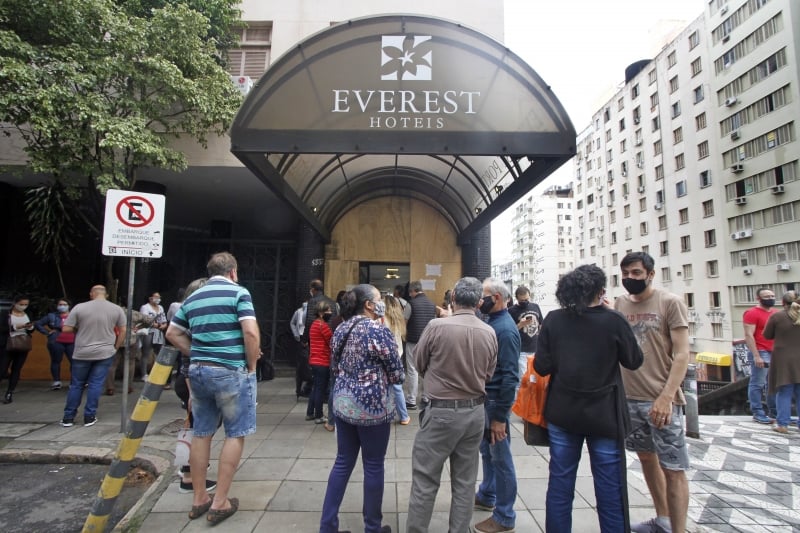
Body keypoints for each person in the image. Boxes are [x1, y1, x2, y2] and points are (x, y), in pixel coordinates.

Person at [534, 265, 643, 532]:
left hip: (563, 412)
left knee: (560, 484)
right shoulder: (614, 320)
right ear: (600, 291)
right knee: (610, 488)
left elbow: (542, 367)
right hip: (604, 415)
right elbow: (633, 360)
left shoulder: (554, 319)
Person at [166, 252, 259, 525]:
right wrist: (251, 365)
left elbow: (172, 333)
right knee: (235, 433)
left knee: (201, 432)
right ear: (233, 271)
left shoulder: (193, 298)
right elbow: (250, 332)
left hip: (198, 372)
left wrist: (196, 353)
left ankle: (199, 498)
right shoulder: (239, 293)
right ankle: (220, 502)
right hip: (230, 371)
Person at [406, 277, 498, 533]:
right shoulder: (489, 332)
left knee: (425, 481)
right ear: (479, 302)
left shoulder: (437, 326)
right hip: (474, 412)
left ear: (453, 297)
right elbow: (488, 374)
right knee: (465, 482)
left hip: (441, 412)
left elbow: (418, 362)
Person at [614, 252, 690, 533]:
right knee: (646, 458)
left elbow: (682, 354)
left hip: (661, 400)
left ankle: (678, 529)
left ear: (650, 274)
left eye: (636, 273)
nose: (630, 278)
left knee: (673, 469)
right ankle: (663, 520)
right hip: (629, 399)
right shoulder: (620, 304)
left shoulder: (670, 302)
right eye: (625, 274)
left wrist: (667, 397)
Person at [319, 284, 404, 533]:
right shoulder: (378, 331)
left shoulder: (341, 328)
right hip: (372, 407)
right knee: (374, 465)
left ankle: (327, 526)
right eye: (379, 299)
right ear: (368, 304)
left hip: (343, 404)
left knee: (343, 462)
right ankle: (372, 527)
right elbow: (397, 374)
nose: (382, 303)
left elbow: (336, 367)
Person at [473, 278, 521, 533]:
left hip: (495, 403)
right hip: (488, 400)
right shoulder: (493, 322)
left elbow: (511, 376)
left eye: (484, 296)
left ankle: (504, 516)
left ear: (498, 298)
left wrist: (500, 417)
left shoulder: (505, 330)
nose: (480, 300)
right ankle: (487, 495)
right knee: (488, 452)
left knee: (501, 458)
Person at [168, 277, 217, 494]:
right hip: (191, 381)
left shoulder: (190, 316)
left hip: (191, 380)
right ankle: (189, 477)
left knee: (196, 428)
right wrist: (192, 393)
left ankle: (189, 470)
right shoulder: (192, 319)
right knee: (200, 430)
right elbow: (188, 361)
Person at [60, 285, 127, 426]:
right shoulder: (116, 309)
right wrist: (115, 347)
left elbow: (66, 329)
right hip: (105, 352)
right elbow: (123, 331)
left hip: (82, 352)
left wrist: (80, 328)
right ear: (106, 295)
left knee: (76, 385)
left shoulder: (79, 307)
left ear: (91, 294)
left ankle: (68, 417)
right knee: (95, 384)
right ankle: (89, 416)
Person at [763, 291, 800, 434]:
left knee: (784, 392)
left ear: (783, 303)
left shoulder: (777, 316)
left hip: (783, 359)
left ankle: (783, 424)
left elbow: (767, 335)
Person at [744, 287, 779, 424]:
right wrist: (756, 355)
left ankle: (774, 412)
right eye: (767, 296)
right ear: (758, 298)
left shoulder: (775, 313)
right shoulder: (752, 313)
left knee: (773, 383)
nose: (771, 298)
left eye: (772, 296)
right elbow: (749, 335)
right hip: (761, 350)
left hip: (775, 351)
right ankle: (757, 412)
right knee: (758, 383)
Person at [405, 280, 436, 410]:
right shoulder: (432, 304)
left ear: (413, 291)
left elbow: (404, 322)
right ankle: (426, 398)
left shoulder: (410, 304)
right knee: (427, 369)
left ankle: (411, 400)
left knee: (412, 369)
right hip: (428, 341)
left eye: (410, 292)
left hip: (413, 340)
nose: (410, 295)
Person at [105, 306, 150, 396]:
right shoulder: (134, 313)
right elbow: (149, 320)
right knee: (130, 363)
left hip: (115, 340)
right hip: (131, 340)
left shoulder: (111, 313)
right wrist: (140, 327)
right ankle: (128, 386)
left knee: (112, 364)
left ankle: (110, 388)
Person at [35, 298, 75, 391]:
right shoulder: (52, 316)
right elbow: (38, 324)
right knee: (56, 361)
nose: (62, 306)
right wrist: (47, 332)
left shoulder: (74, 315)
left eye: (64, 304)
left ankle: (74, 382)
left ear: (69, 306)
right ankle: (56, 381)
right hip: (56, 341)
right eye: (60, 304)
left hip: (72, 341)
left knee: (74, 362)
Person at [382, 294, 410, 425]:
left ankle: (384, 414)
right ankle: (404, 416)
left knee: (384, 385)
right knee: (397, 387)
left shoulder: (382, 319)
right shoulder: (399, 319)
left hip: (385, 355)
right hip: (397, 354)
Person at [2, 295, 35, 404]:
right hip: (7, 344)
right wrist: (16, 327)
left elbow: (31, 329)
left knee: (16, 369)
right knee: (2, 369)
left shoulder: (27, 314)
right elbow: (2, 328)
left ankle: (9, 392)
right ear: (15, 303)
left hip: (22, 344)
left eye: (26, 304)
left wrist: (30, 327)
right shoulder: (6, 314)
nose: (23, 306)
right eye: (21, 304)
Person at [508, 286, 544, 380]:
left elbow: (541, 324)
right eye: (522, 300)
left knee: (535, 379)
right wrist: (521, 324)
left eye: (527, 299)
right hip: (521, 350)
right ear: (517, 298)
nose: (525, 302)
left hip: (536, 349)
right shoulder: (511, 311)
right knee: (523, 379)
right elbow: (510, 332)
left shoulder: (535, 306)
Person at [306, 300, 333, 424]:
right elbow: (331, 342)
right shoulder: (323, 326)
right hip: (323, 361)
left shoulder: (314, 324)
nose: (330, 313)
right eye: (328, 310)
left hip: (314, 360)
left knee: (316, 387)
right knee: (320, 389)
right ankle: (319, 415)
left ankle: (310, 413)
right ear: (321, 313)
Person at [139, 291, 168, 382]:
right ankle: (144, 374)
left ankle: (157, 373)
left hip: (159, 332)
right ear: (150, 298)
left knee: (160, 353)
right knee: (146, 352)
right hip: (149, 331)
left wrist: (164, 325)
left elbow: (164, 319)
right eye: (156, 297)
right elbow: (144, 319)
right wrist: (156, 325)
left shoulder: (161, 307)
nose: (158, 299)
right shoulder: (145, 307)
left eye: (159, 297)